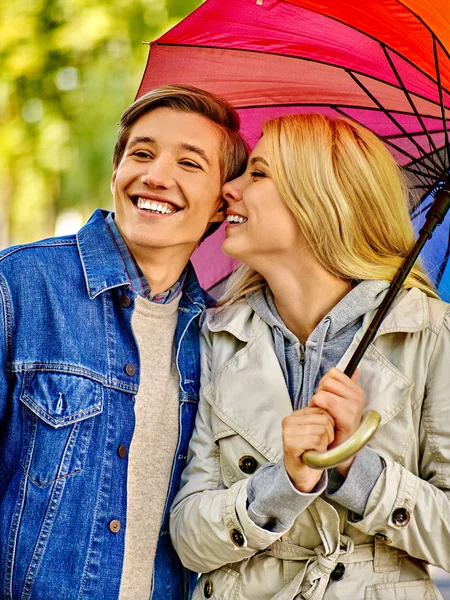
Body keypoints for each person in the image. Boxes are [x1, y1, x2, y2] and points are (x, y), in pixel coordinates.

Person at [169, 113, 450, 600]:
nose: (228, 189)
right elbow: (188, 538)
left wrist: (353, 469)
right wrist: (285, 484)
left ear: (318, 200)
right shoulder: (216, 335)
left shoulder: (429, 333)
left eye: (257, 173)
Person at [0, 84, 248, 600]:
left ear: (221, 206)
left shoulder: (220, 337)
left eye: (190, 164)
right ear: (116, 173)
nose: (156, 176)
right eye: (141, 153)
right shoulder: (20, 286)